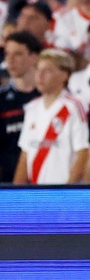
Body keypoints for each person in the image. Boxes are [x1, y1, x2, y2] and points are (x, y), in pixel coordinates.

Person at [14, 49, 88, 185]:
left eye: (47, 70)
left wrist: (69, 191)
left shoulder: (73, 107)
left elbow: (83, 153)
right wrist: (16, 194)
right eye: (38, 70)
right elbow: (25, 154)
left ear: (64, 75)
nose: (40, 75)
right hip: (36, 191)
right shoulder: (32, 108)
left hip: (63, 192)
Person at [0, 31, 41, 182]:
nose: (10, 60)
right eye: (7, 54)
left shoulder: (49, 97)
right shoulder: (2, 99)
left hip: (46, 181)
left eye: (17, 54)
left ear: (34, 57)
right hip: (8, 184)